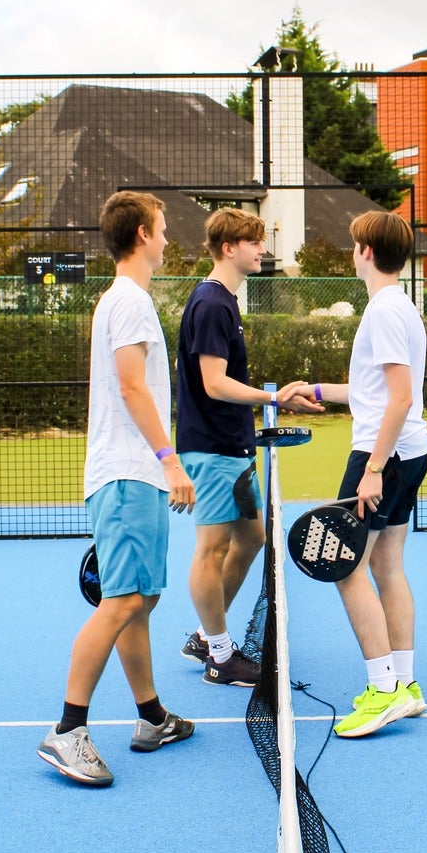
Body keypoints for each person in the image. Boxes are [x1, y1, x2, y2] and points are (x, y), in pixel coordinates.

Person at [38, 191, 196, 787]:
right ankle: (67, 731)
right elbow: (132, 388)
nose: (167, 238)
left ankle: (151, 717)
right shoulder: (129, 300)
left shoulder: (125, 299)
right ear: (142, 235)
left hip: (136, 476)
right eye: (162, 228)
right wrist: (170, 461)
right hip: (130, 474)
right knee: (123, 602)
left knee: (140, 600)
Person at [286, 211, 427, 739]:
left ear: (366, 252)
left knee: (345, 568)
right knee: (387, 566)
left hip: (383, 455)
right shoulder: (399, 307)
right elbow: (376, 390)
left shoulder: (384, 311)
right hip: (408, 451)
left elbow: (400, 397)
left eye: (354, 245)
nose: (352, 253)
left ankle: (384, 689)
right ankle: (405, 685)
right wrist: (316, 390)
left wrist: (373, 468)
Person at [175, 208, 320, 688]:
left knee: (252, 537)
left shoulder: (226, 302)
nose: (263, 249)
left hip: (233, 448)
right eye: (254, 242)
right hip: (212, 450)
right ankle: (220, 655)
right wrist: (274, 399)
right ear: (228, 248)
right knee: (211, 549)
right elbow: (214, 383)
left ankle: (205, 636)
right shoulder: (211, 304)